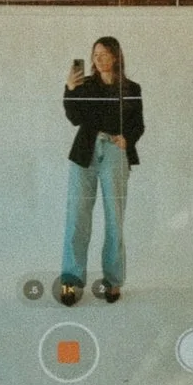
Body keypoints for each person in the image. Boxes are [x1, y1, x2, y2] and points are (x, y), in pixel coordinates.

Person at [58, 37, 142, 307]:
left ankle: (113, 280)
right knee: (77, 216)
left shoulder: (131, 88)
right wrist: (70, 89)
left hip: (115, 152)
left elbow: (138, 124)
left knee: (114, 218)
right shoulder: (85, 85)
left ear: (116, 56)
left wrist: (127, 139)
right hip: (85, 152)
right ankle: (71, 280)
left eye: (105, 54)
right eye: (95, 54)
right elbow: (74, 119)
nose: (99, 59)